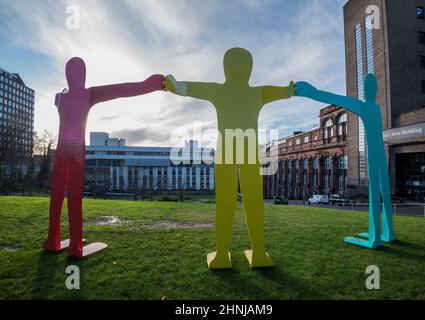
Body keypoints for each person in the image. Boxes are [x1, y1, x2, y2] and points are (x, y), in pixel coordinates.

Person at [166, 48, 295, 268]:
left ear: (225, 68)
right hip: (249, 150)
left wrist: (174, 85)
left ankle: (222, 255)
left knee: (225, 203)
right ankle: (259, 254)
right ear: (250, 69)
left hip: (226, 150)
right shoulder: (258, 93)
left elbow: (190, 88)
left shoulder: (219, 91)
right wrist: (290, 89)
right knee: (254, 202)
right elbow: (283, 91)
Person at [43, 57, 165, 257]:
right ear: (83, 75)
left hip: (61, 150)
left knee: (56, 196)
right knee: (74, 198)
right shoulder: (89, 93)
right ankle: (75, 246)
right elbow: (121, 90)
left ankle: (51, 240)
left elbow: (121, 90)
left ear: (67, 75)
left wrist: (146, 85)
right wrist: (147, 85)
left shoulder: (59, 97)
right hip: (76, 151)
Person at [295, 74, 397, 249]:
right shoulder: (377, 108)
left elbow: (334, 98)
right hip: (382, 151)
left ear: (366, 90)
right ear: (376, 89)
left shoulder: (364, 106)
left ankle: (375, 238)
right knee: (384, 191)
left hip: (371, 152)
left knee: (374, 193)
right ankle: (388, 232)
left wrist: (311, 92)